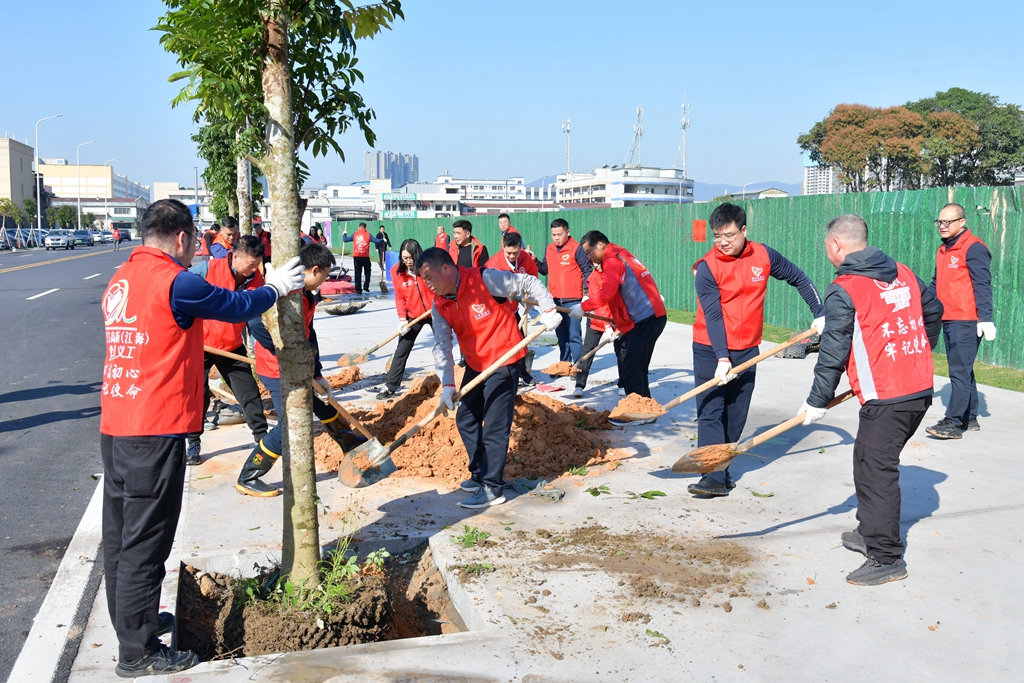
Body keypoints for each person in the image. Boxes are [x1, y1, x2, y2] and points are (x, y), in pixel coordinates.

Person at [99, 199, 305, 677]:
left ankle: (134, 622)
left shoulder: (122, 278)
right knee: (146, 542)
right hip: (153, 428)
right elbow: (234, 306)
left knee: (121, 536)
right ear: (180, 238)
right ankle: (137, 653)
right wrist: (275, 287)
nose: (195, 250)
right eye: (194, 241)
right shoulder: (177, 280)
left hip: (117, 424)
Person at [799, 214, 943, 586]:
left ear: (835, 245)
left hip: (888, 397)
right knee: (867, 459)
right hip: (918, 389)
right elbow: (934, 312)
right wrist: (915, 355)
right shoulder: (905, 273)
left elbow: (833, 351)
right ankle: (869, 532)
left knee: (877, 471)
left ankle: (885, 556)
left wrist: (817, 400)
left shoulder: (845, 288)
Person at [684, 203, 825, 497]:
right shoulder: (707, 268)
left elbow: (798, 277)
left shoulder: (764, 255)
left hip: (749, 348)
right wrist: (722, 357)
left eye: (730, 235)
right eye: (717, 236)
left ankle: (722, 469)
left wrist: (819, 312)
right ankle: (713, 476)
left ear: (744, 230)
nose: (723, 242)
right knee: (711, 412)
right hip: (710, 348)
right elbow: (713, 316)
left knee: (736, 414)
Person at [416, 247, 561, 508]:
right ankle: (480, 474)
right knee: (466, 419)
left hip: (504, 359)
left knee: (494, 426)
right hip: (476, 363)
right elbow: (442, 344)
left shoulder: (484, 278)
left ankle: (493, 488)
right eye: (422, 279)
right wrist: (448, 384)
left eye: (429, 277)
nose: (427, 284)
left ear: (446, 269)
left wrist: (548, 309)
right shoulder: (439, 304)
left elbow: (527, 282)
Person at [238, 242, 366, 496]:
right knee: (289, 425)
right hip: (277, 370)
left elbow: (310, 333)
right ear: (315, 270)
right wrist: (287, 354)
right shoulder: (287, 291)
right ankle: (249, 476)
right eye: (326, 275)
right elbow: (257, 323)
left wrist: (316, 372)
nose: (326, 280)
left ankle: (351, 444)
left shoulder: (308, 295)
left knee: (325, 404)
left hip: (301, 367)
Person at [184, 235, 270, 465]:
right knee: (197, 396)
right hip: (201, 346)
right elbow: (181, 292)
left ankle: (262, 440)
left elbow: (256, 317)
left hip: (232, 347)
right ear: (235, 256)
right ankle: (193, 442)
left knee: (249, 393)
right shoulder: (207, 269)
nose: (254, 268)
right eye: (251, 263)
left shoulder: (256, 280)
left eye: (257, 264)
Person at [923, 203, 995, 439]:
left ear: (962, 222)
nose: (942, 226)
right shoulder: (943, 249)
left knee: (958, 372)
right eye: (940, 222)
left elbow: (982, 285)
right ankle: (969, 416)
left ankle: (953, 423)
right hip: (948, 317)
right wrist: (924, 304)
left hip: (966, 320)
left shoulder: (973, 248)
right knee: (964, 369)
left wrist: (986, 319)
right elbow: (937, 283)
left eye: (948, 222)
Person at [575, 230, 665, 399]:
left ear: (600, 245)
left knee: (631, 367)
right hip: (650, 317)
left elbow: (607, 292)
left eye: (589, 252)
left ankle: (637, 411)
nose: (589, 258)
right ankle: (646, 409)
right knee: (637, 367)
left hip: (645, 319)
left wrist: (583, 307)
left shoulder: (612, 260)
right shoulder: (622, 253)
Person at [485, 232, 548, 386]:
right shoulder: (494, 264)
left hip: (512, 309)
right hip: (495, 311)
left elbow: (533, 277)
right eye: (509, 253)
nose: (512, 256)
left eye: (515, 252)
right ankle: (494, 373)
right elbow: (485, 289)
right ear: (503, 247)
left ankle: (522, 373)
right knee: (499, 344)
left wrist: (531, 299)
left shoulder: (525, 258)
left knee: (519, 341)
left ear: (521, 248)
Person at [378, 239, 434, 400]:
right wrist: (402, 319)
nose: (408, 262)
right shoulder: (397, 271)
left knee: (443, 347)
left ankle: (449, 382)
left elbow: (440, 286)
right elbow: (399, 296)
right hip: (413, 315)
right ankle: (391, 386)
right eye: (404, 258)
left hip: (435, 312)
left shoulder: (428, 267)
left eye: (410, 258)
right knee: (401, 350)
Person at [541, 218, 591, 364]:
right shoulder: (549, 249)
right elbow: (544, 270)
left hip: (573, 301)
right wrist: (534, 261)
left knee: (574, 335)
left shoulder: (577, 248)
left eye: (559, 234)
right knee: (561, 336)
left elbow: (587, 270)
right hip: (555, 299)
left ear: (567, 232)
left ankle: (577, 365)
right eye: (553, 234)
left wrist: (587, 293)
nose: (556, 238)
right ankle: (564, 364)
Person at [571, 263, 624, 398]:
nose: (597, 266)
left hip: (618, 320)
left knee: (622, 352)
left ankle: (624, 384)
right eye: (594, 263)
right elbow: (599, 303)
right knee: (587, 351)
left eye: (599, 263)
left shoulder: (615, 274)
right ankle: (579, 385)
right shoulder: (593, 278)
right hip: (597, 320)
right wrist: (606, 325)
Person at [343, 222, 382, 294]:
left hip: (357, 257)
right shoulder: (368, 235)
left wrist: (344, 233)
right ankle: (366, 286)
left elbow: (345, 239)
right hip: (365, 257)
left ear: (359, 227)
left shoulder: (355, 235)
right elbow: (377, 241)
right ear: (365, 228)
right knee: (367, 272)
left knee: (357, 273)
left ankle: (358, 289)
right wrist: (383, 240)